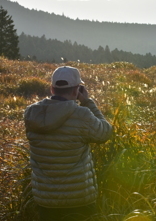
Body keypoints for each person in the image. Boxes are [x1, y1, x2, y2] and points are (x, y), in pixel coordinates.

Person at [24, 66, 113, 221]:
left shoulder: (32, 113)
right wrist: (87, 102)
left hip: (45, 200)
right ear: (76, 90)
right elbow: (105, 133)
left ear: (52, 89)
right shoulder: (81, 115)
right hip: (78, 199)